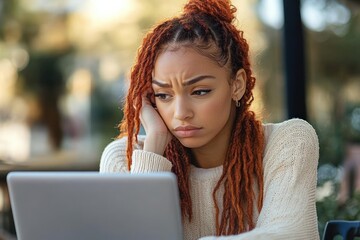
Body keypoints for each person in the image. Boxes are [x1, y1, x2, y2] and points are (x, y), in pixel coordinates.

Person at [99, 0, 320, 239]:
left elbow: (291, 234)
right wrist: (153, 149)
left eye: (200, 91)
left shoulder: (287, 142)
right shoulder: (124, 159)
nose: (180, 112)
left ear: (237, 85)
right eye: (163, 95)